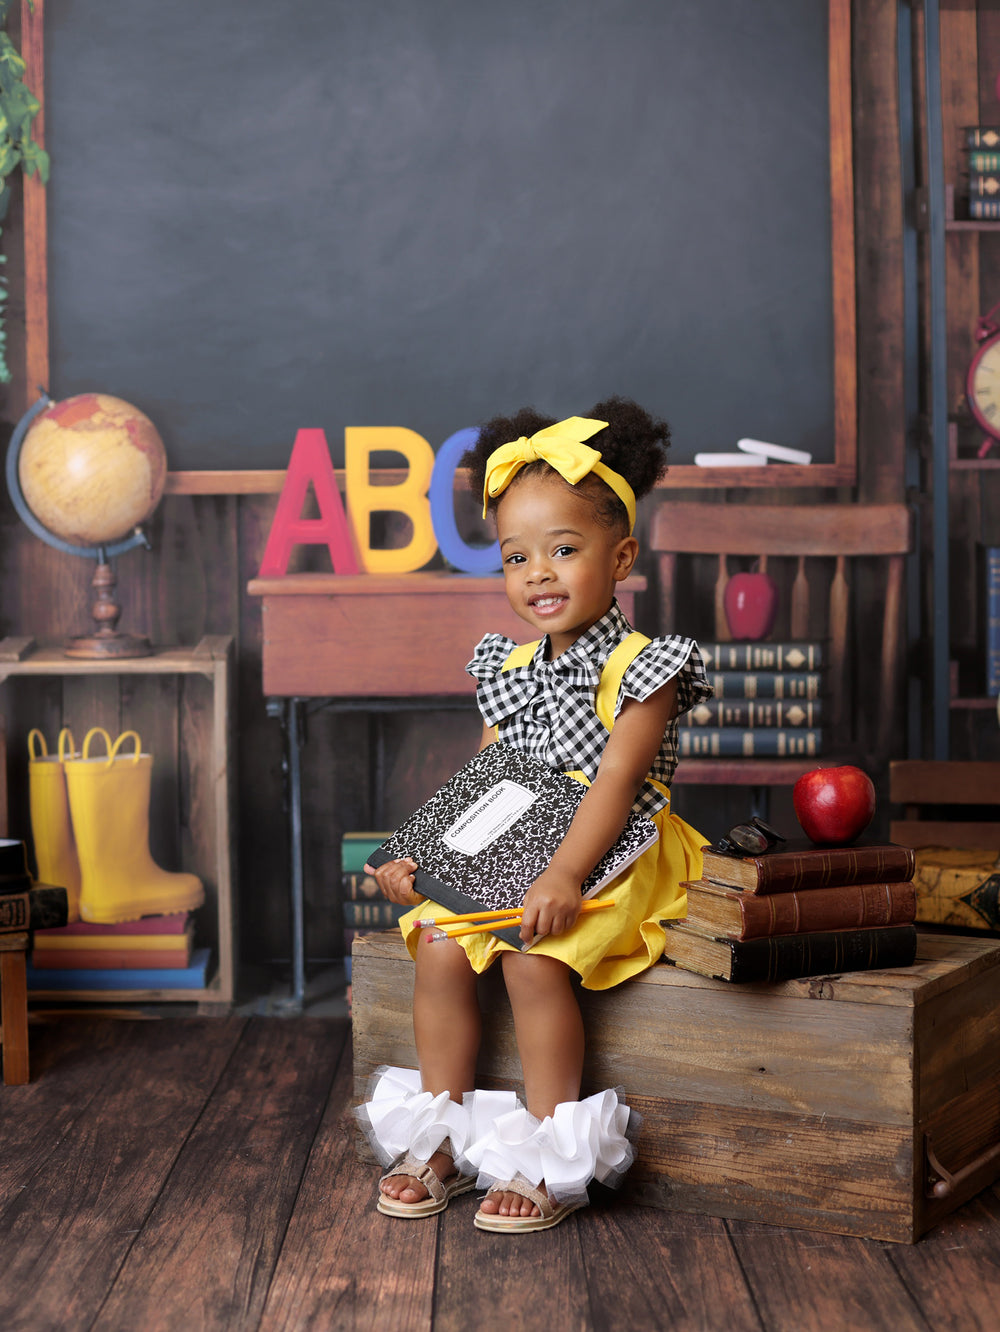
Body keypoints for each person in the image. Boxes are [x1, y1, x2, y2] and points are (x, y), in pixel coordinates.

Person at [357, 397, 711, 1232]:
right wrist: (416, 856)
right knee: (442, 944)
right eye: (518, 557)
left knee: (532, 957)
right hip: (516, 844)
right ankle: (439, 1139)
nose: (538, 574)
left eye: (564, 549)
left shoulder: (644, 669)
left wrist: (563, 873)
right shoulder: (509, 667)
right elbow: (491, 781)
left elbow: (614, 788)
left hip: (613, 849)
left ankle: (543, 1158)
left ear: (620, 556)